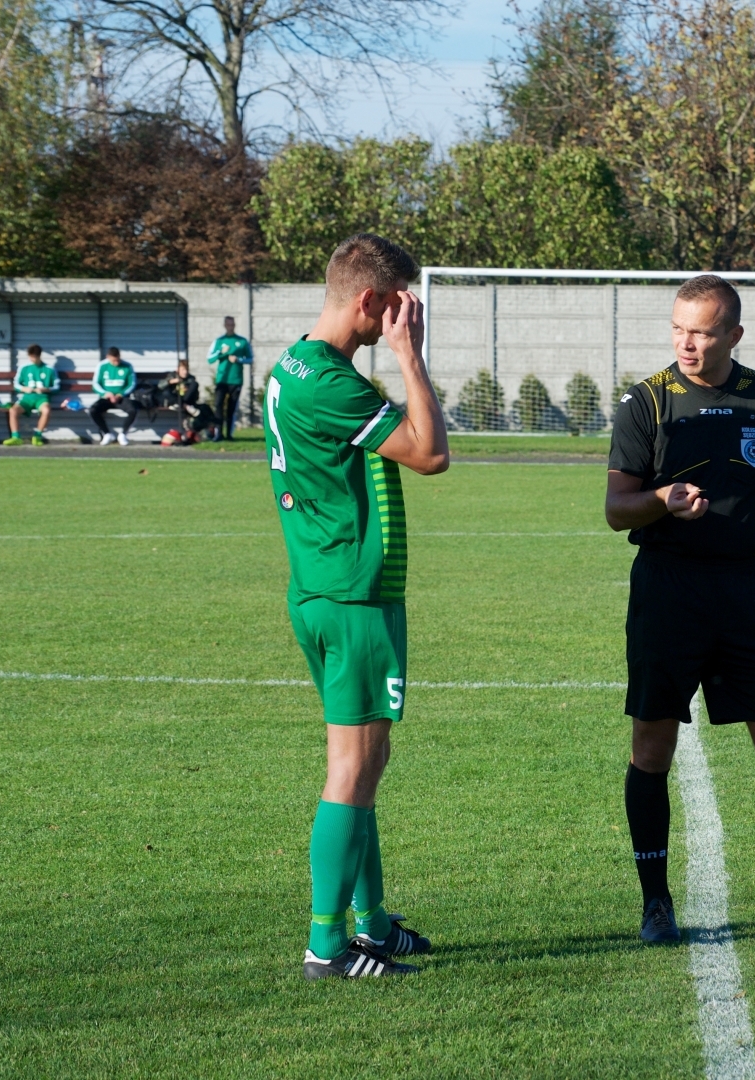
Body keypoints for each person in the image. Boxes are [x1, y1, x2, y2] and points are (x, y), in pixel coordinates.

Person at [605, 274, 755, 945]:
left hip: (743, 593)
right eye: (679, 329)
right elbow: (616, 508)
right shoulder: (646, 402)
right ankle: (655, 904)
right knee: (652, 747)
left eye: (702, 332)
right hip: (666, 590)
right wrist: (662, 500)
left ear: (733, 334)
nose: (687, 343)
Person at [266, 233, 449, 979]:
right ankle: (327, 945)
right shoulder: (333, 385)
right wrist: (410, 357)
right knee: (353, 769)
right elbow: (430, 453)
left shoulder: (294, 362)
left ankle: (370, 924)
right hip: (353, 595)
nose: (404, 316)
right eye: (399, 304)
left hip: (320, 585)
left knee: (365, 765)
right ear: (370, 299)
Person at [207, 315, 252, 442]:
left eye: (232, 325)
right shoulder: (219, 341)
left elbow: (250, 359)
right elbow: (210, 359)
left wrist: (239, 360)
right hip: (222, 379)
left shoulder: (242, 341)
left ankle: (229, 435)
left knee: (231, 409)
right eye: (228, 324)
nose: (230, 327)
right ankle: (218, 434)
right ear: (224, 325)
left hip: (236, 380)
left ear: (234, 325)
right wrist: (222, 352)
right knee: (218, 406)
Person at [4, 344, 59, 446]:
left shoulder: (49, 369)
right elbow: (16, 384)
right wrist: (23, 388)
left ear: (39, 356)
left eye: (34, 357)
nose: (32, 359)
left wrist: (46, 389)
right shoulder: (24, 368)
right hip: (27, 398)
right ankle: (16, 437)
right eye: (30, 356)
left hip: (42, 398)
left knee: (46, 410)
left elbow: (57, 386)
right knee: (13, 410)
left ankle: (37, 436)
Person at [89, 347, 138, 446]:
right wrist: (106, 394)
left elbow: (132, 384)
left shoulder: (127, 366)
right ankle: (107, 434)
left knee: (133, 410)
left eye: (118, 360)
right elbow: (95, 384)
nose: (116, 363)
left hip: (121, 398)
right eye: (113, 360)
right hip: (106, 398)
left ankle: (123, 434)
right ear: (108, 357)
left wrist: (121, 394)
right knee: (93, 410)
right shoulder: (102, 366)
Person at [157, 358, 212, 446]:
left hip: (187, 400)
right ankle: (183, 405)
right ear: (178, 369)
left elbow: (195, 394)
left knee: (195, 385)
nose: (185, 372)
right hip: (174, 399)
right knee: (166, 392)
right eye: (183, 370)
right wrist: (171, 382)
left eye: (186, 370)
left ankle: (184, 405)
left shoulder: (191, 379)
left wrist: (188, 389)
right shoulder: (172, 375)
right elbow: (160, 386)